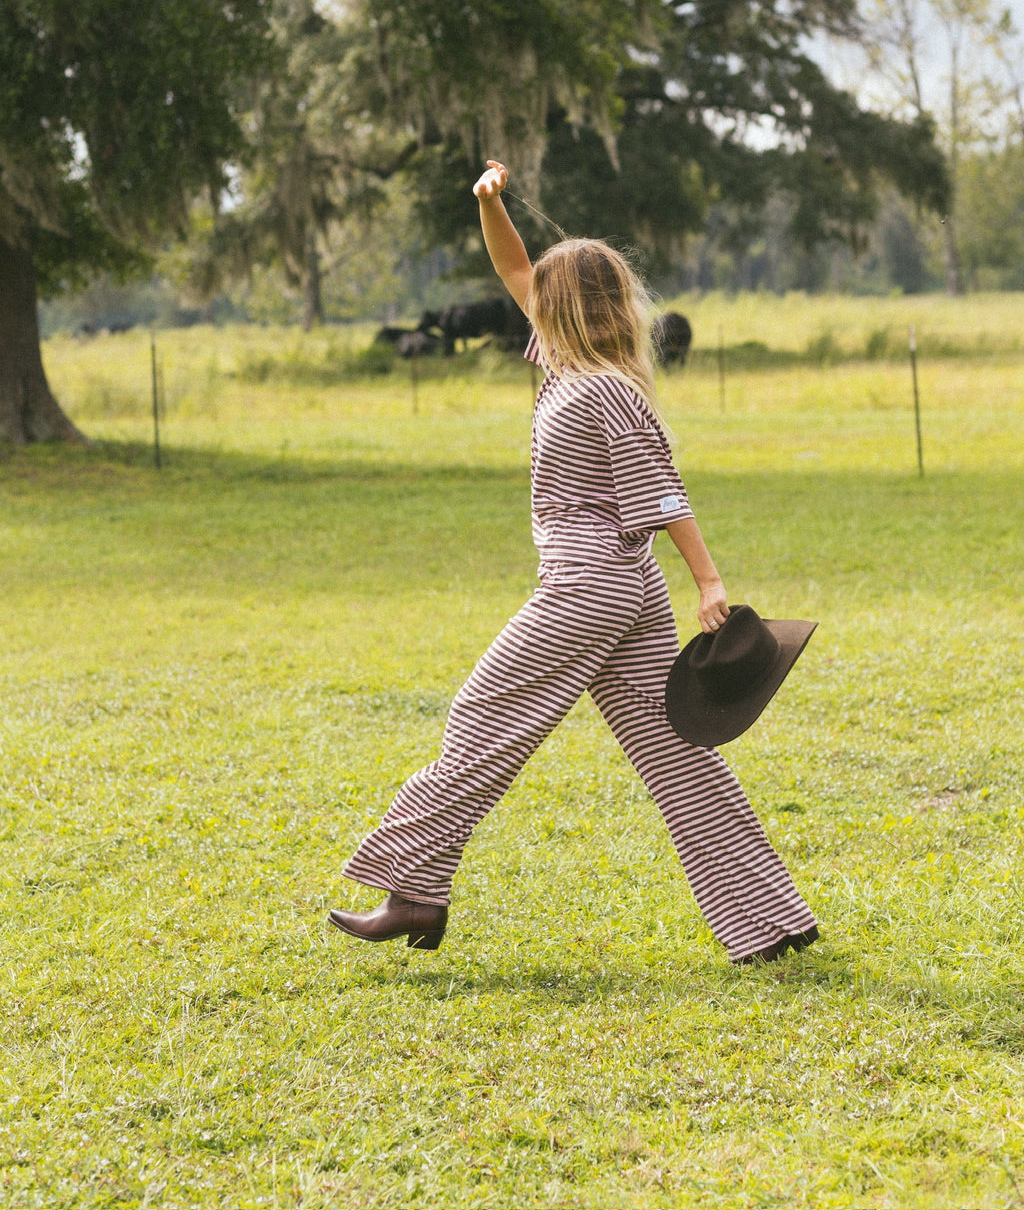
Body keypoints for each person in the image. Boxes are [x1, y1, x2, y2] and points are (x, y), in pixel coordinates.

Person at [329, 161, 818, 964]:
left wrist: (710, 580)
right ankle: (772, 925)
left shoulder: (602, 391)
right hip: (622, 594)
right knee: (680, 752)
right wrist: (489, 203)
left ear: (565, 309)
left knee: (481, 718)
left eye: (543, 295)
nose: (528, 296)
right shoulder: (573, 365)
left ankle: (415, 892)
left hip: (589, 589)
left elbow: (663, 493)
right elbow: (515, 267)